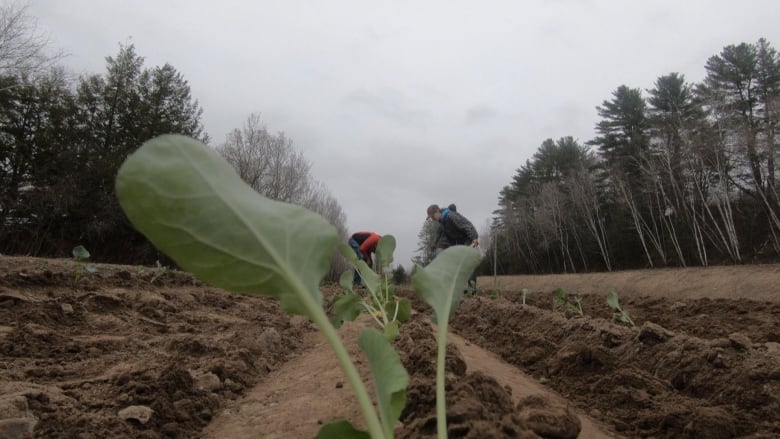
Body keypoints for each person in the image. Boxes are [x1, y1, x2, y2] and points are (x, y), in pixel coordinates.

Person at [426, 204, 479, 292]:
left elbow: (467, 226)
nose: (432, 219)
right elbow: (450, 237)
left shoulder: (450, 216)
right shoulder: (443, 222)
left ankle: (472, 288)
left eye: (432, 217)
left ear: (437, 212)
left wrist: (474, 238)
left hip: (469, 238)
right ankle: (465, 288)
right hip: (461, 242)